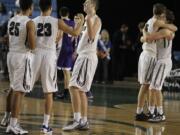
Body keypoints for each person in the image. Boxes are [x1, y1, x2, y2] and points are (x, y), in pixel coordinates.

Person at [32, 0, 84, 134]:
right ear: (50, 7)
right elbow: (75, 33)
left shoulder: (33, 21)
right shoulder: (57, 21)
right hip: (49, 55)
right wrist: (81, 22)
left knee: (21, 89)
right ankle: (45, 125)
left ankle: (11, 119)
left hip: (35, 54)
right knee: (48, 92)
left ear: (39, 7)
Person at [62, 0, 102, 131]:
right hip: (83, 56)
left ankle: (77, 120)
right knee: (81, 90)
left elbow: (91, 37)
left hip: (87, 57)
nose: (84, 4)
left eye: (87, 3)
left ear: (93, 6)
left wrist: (88, 20)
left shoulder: (95, 19)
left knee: (73, 87)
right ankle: (83, 121)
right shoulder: (87, 20)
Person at [135, 3, 177, 121]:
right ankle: (152, 111)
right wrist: (144, 37)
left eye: (164, 18)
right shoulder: (161, 26)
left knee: (152, 87)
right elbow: (174, 28)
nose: (162, 19)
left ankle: (157, 113)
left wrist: (143, 34)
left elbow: (148, 38)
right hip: (155, 58)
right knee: (150, 86)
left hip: (161, 60)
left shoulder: (162, 29)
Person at [5, 0, 35, 134]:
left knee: (13, 88)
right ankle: (13, 124)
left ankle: (8, 119)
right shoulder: (29, 22)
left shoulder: (12, 19)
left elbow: (8, 39)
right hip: (21, 56)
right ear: (31, 7)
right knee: (19, 91)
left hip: (11, 55)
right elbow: (32, 45)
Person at [56, 7, 75, 99]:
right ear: (68, 14)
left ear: (60, 14)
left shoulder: (60, 22)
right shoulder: (73, 23)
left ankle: (56, 90)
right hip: (70, 47)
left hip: (62, 48)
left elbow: (59, 36)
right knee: (67, 72)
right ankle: (67, 90)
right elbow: (74, 37)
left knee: (56, 70)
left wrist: (54, 43)